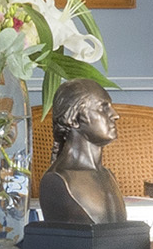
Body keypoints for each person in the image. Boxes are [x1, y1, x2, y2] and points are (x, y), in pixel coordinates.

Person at [36, 77, 124, 227]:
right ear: (74, 119)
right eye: (103, 107)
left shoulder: (108, 175)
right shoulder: (58, 180)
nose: (115, 115)